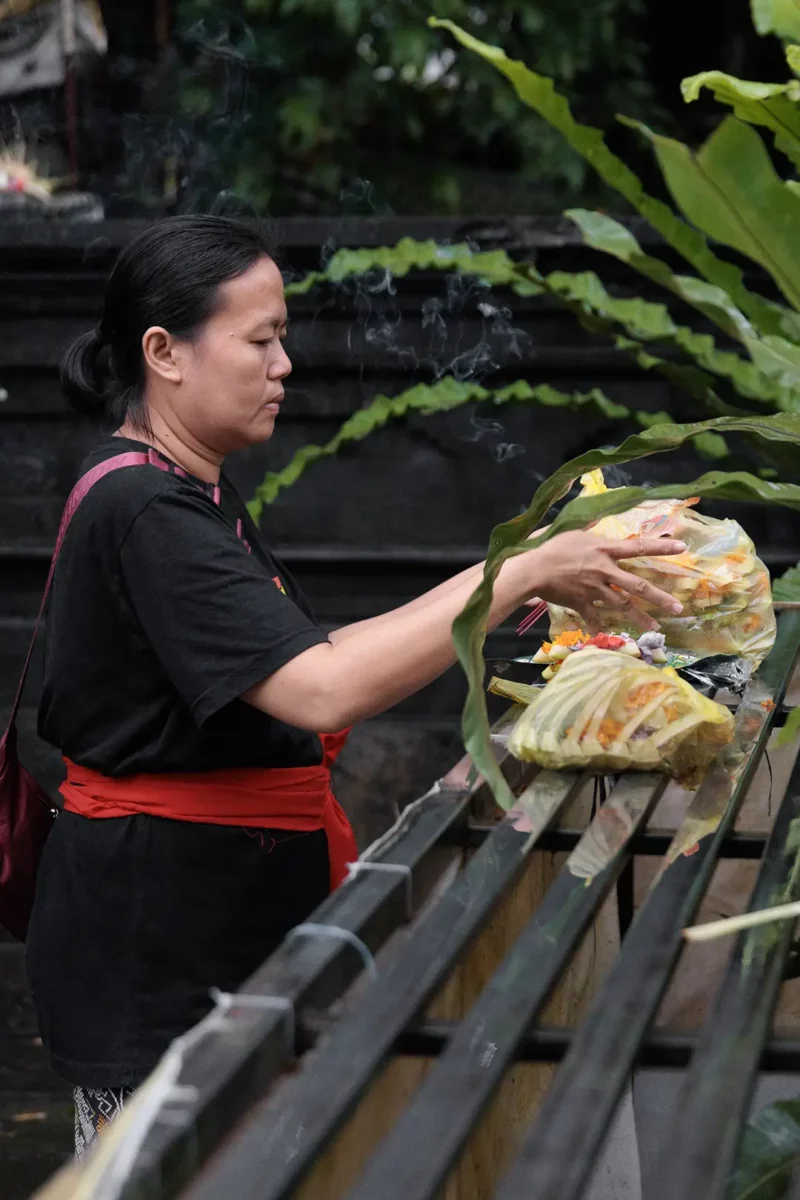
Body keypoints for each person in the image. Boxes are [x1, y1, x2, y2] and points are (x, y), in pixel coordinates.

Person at [24, 215, 686, 1158]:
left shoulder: (189, 488)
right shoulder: (144, 506)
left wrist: (517, 567)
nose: (285, 363)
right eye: (261, 340)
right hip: (157, 953)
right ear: (164, 353)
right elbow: (322, 690)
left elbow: (311, 653)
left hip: (205, 926)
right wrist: (520, 575)